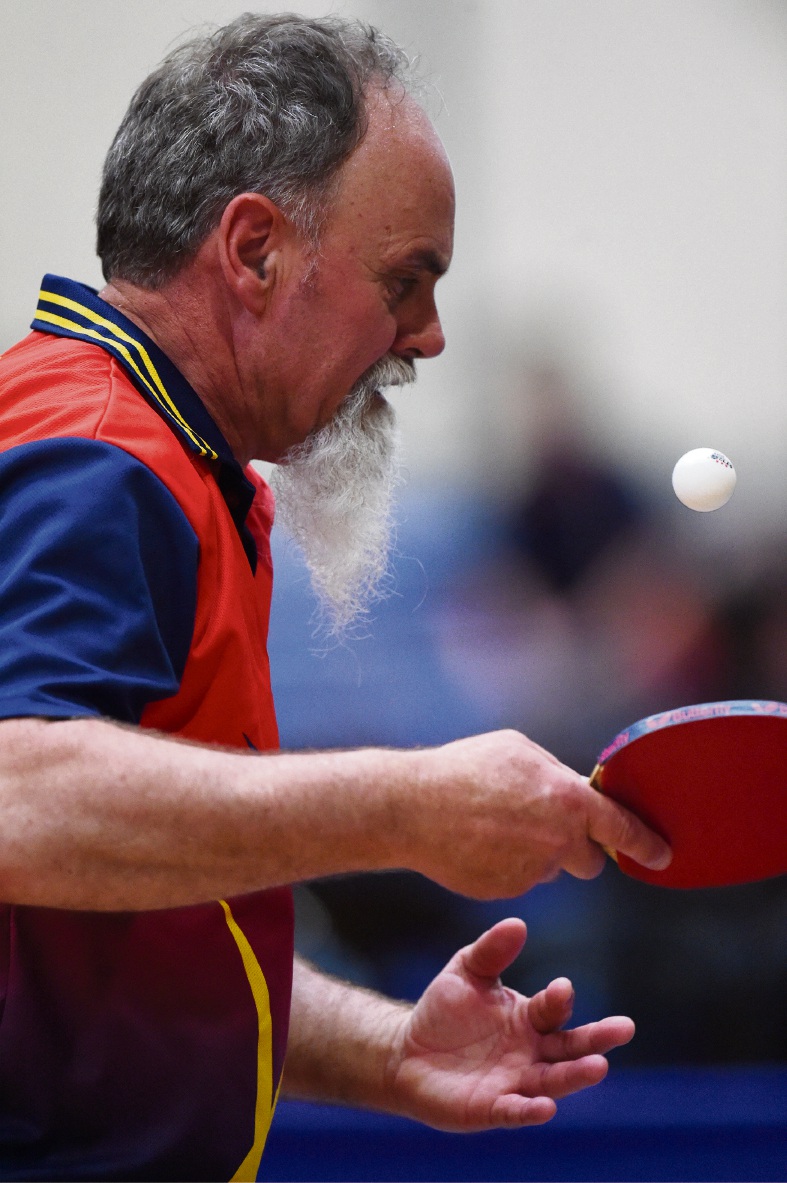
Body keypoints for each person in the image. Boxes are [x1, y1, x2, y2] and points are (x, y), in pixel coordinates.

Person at [0, 14, 671, 1181]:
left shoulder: (161, 452)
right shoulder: (101, 452)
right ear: (254, 251)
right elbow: (19, 799)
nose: (429, 335)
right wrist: (408, 806)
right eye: (403, 279)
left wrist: (385, 1051)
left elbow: (130, 934)